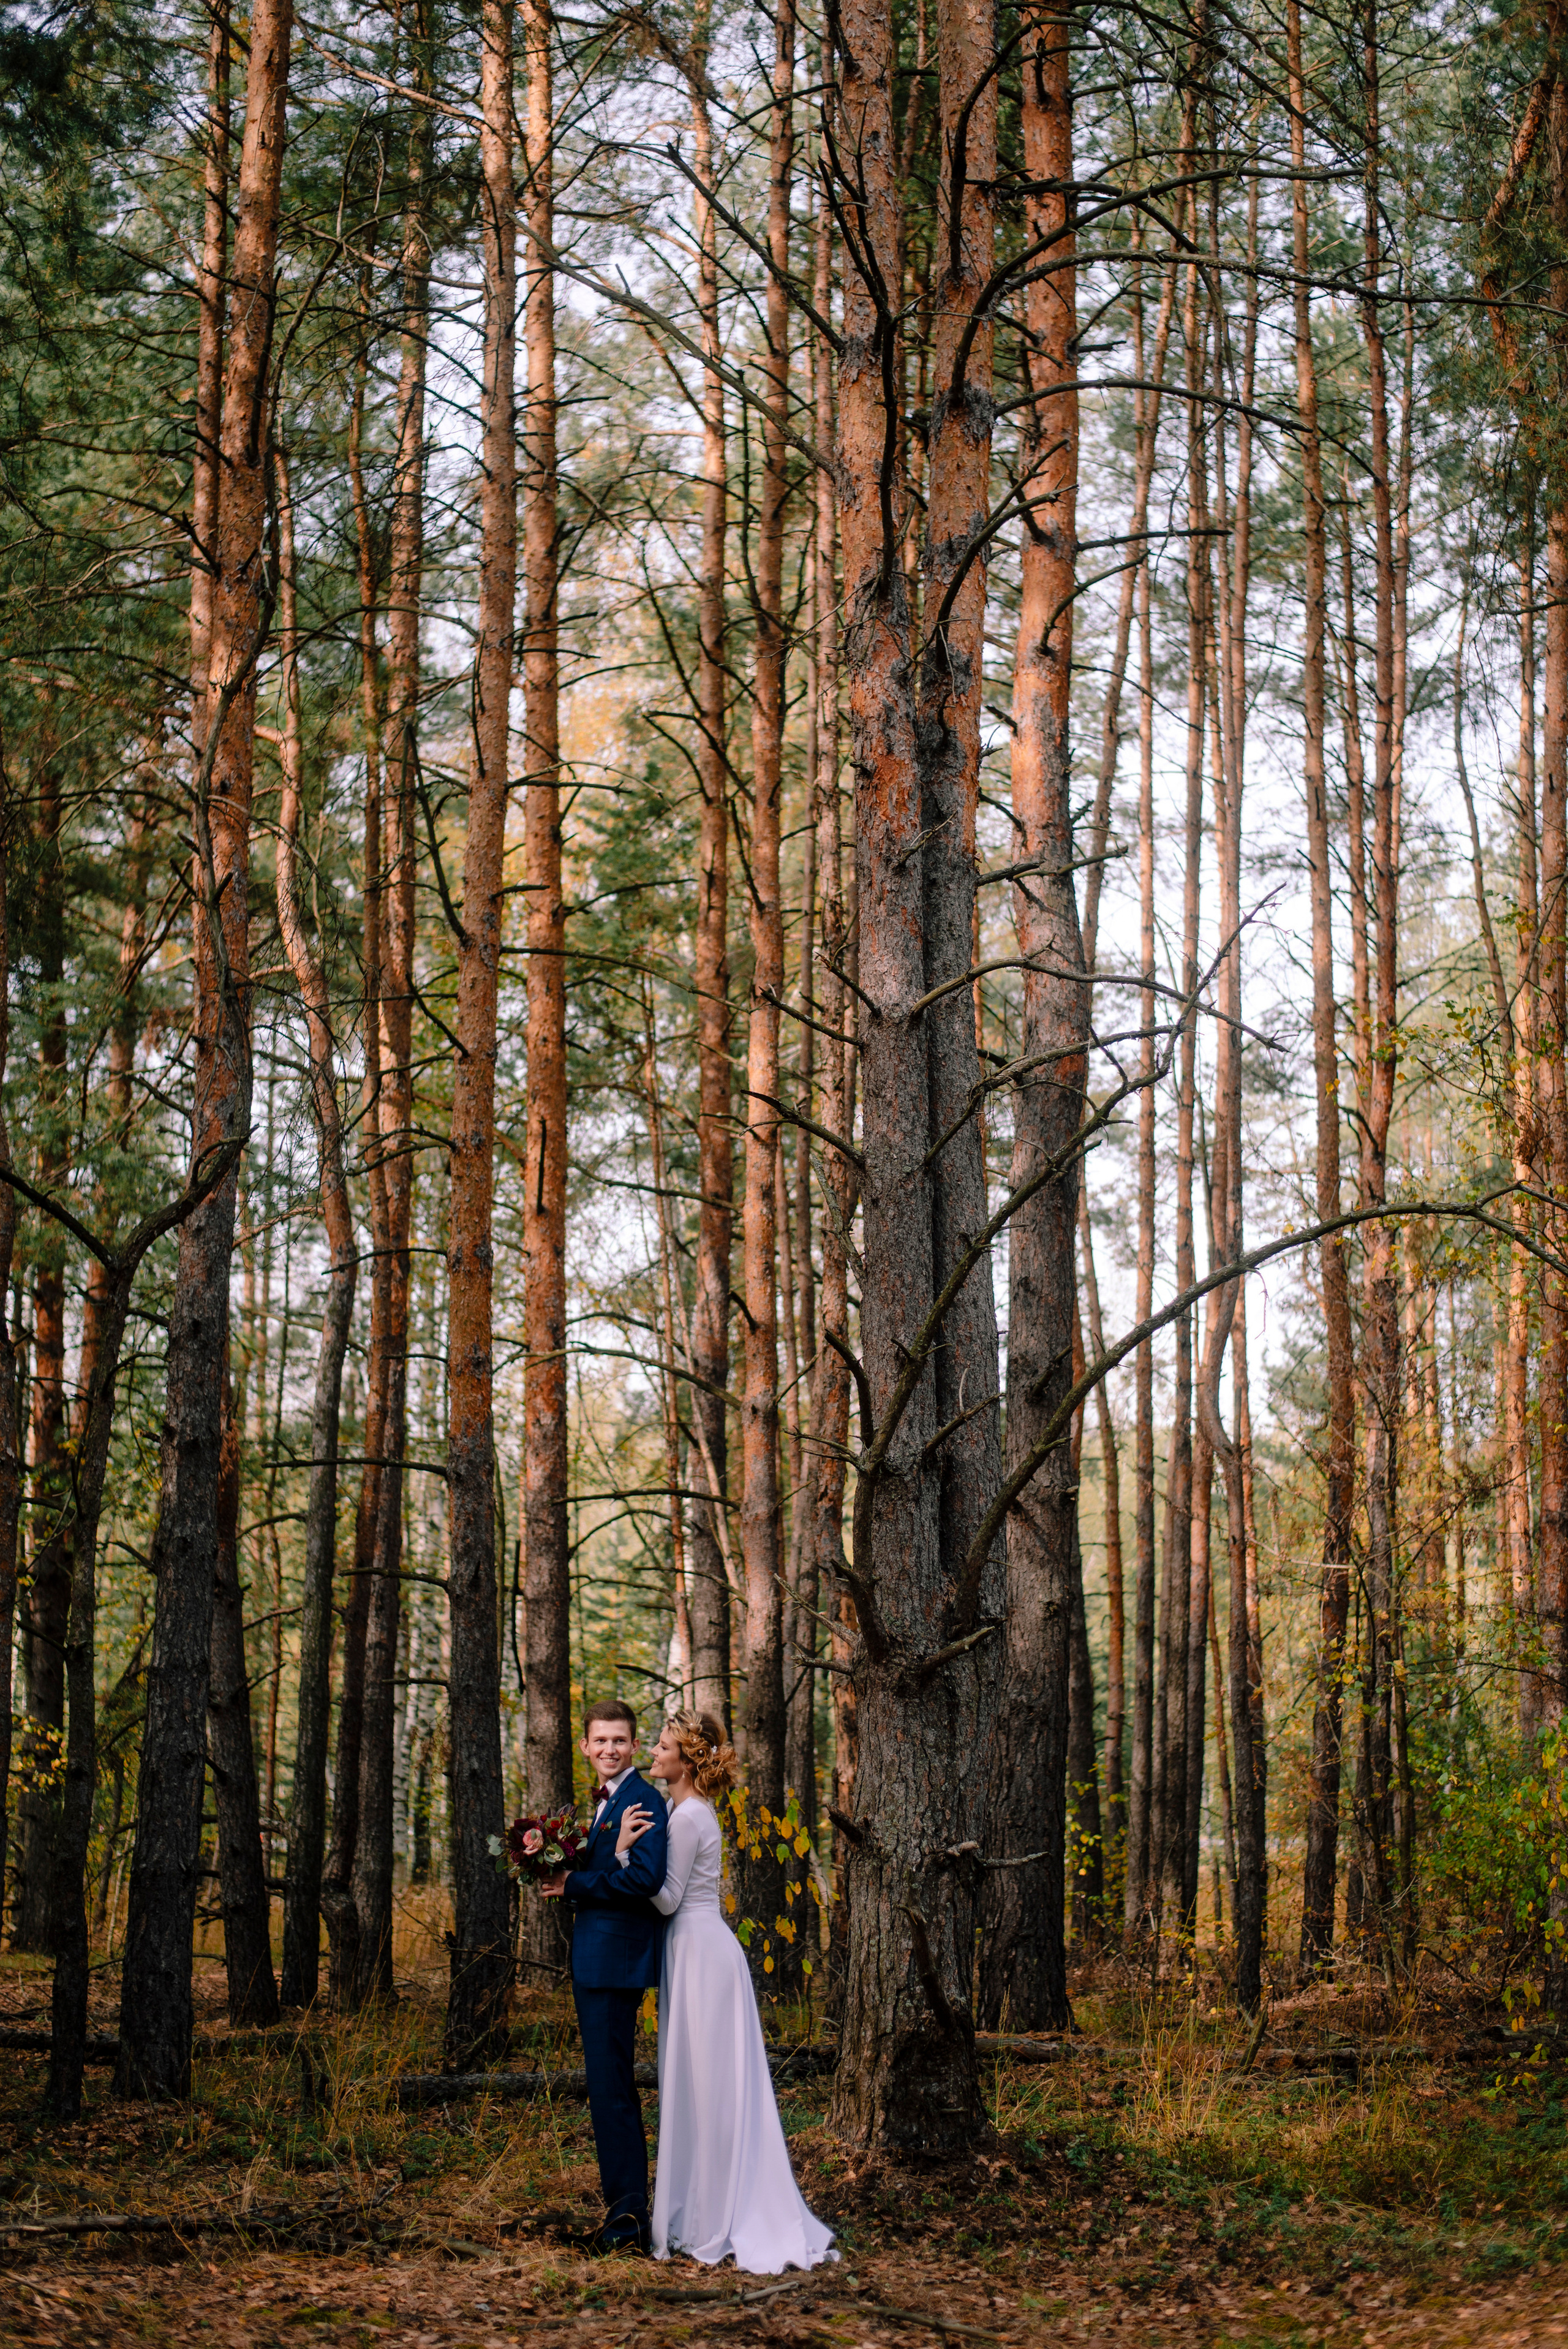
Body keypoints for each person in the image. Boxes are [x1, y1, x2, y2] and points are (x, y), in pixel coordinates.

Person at [614, 1709, 836, 2274]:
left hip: (701, 1954)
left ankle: (716, 2212)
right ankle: (701, 2207)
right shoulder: (679, 1810)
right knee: (698, 2083)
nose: (653, 1753)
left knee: (710, 2085)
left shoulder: (689, 1817)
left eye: (663, 1747)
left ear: (687, 1761)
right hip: (691, 1951)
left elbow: (668, 1898)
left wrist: (623, 1854)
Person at [544, 1699, 669, 2254]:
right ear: (586, 1746)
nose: (610, 1749)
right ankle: (624, 2216)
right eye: (601, 1740)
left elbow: (644, 1880)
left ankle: (627, 2227)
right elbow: (609, 1873)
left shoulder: (643, 1800)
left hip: (615, 1964)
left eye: (620, 1740)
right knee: (606, 2090)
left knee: (613, 2093)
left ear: (635, 1745)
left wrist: (574, 1883)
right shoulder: (605, 1801)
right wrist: (567, 1872)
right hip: (598, 1960)